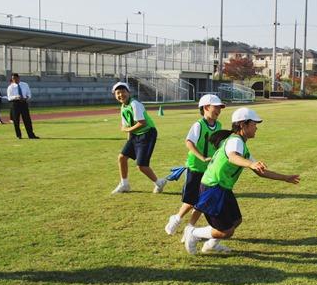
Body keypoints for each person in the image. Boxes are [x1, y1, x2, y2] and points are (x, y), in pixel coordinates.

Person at [183, 107, 300, 255]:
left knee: (236, 221)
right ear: (243, 125)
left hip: (222, 188)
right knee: (226, 231)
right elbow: (233, 157)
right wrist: (251, 164)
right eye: (254, 124)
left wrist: (285, 178)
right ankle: (193, 233)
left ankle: (211, 245)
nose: (256, 128)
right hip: (214, 187)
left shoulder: (240, 143)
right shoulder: (235, 141)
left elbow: (260, 172)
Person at [164, 94, 225, 241]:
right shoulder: (199, 125)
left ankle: (189, 229)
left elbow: (218, 145)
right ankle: (176, 218)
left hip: (209, 170)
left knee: (202, 202)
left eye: (220, 108)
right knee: (191, 201)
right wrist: (202, 157)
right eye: (216, 107)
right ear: (206, 107)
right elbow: (189, 142)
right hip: (195, 168)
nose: (219, 110)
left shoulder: (219, 126)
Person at [110, 82, 167, 194]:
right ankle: (124, 184)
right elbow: (127, 126)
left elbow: (142, 122)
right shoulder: (123, 107)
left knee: (141, 166)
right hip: (135, 135)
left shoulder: (134, 104)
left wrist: (127, 130)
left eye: (123, 91)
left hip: (147, 134)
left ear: (129, 92)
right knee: (122, 157)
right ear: (115, 95)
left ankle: (159, 182)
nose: (121, 95)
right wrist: (129, 141)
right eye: (118, 93)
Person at [6, 73, 39, 139]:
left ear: (18, 78)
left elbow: (29, 94)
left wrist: (26, 98)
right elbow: (9, 97)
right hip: (15, 104)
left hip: (23, 103)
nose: (14, 80)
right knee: (16, 120)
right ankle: (18, 135)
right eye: (13, 79)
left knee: (27, 120)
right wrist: (16, 97)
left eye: (15, 78)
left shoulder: (25, 85)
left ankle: (31, 135)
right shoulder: (10, 87)